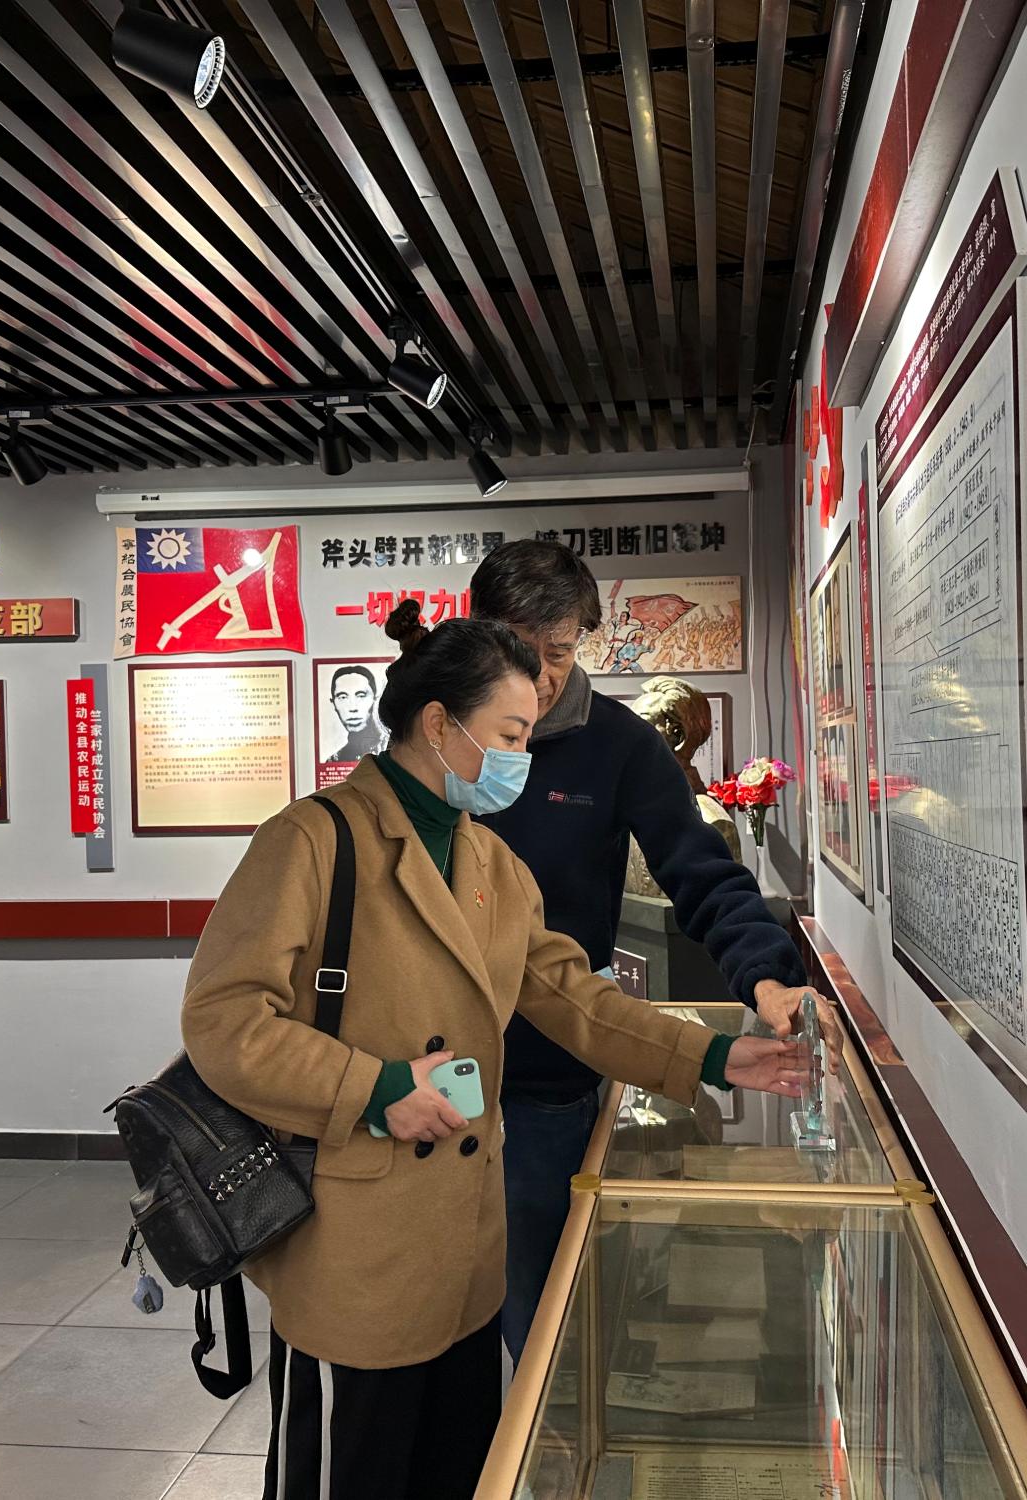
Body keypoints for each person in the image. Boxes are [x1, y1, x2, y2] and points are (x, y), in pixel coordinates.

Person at [181, 607, 806, 1499]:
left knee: (458, 1469)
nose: (522, 759)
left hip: (464, 1252)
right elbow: (224, 1019)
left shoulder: (489, 862)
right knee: (351, 1472)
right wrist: (374, 1087)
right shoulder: (314, 840)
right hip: (356, 1246)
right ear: (439, 724)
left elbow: (575, 1000)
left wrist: (714, 1058)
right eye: (509, 736)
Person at [466, 540, 830, 1362]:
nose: (539, 675)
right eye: (518, 648)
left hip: (551, 1072)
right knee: (436, 1314)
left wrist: (767, 978)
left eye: (559, 652)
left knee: (543, 1311)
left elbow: (703, 873)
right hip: (433, 1069)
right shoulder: (445, 738)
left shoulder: (619, 745)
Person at [325, 664, 385, 763]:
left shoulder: (390, 749)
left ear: (375, 699)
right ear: (333, 703)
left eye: (361, 695)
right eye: (343, 697)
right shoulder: (334, 760)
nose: (352, 708)